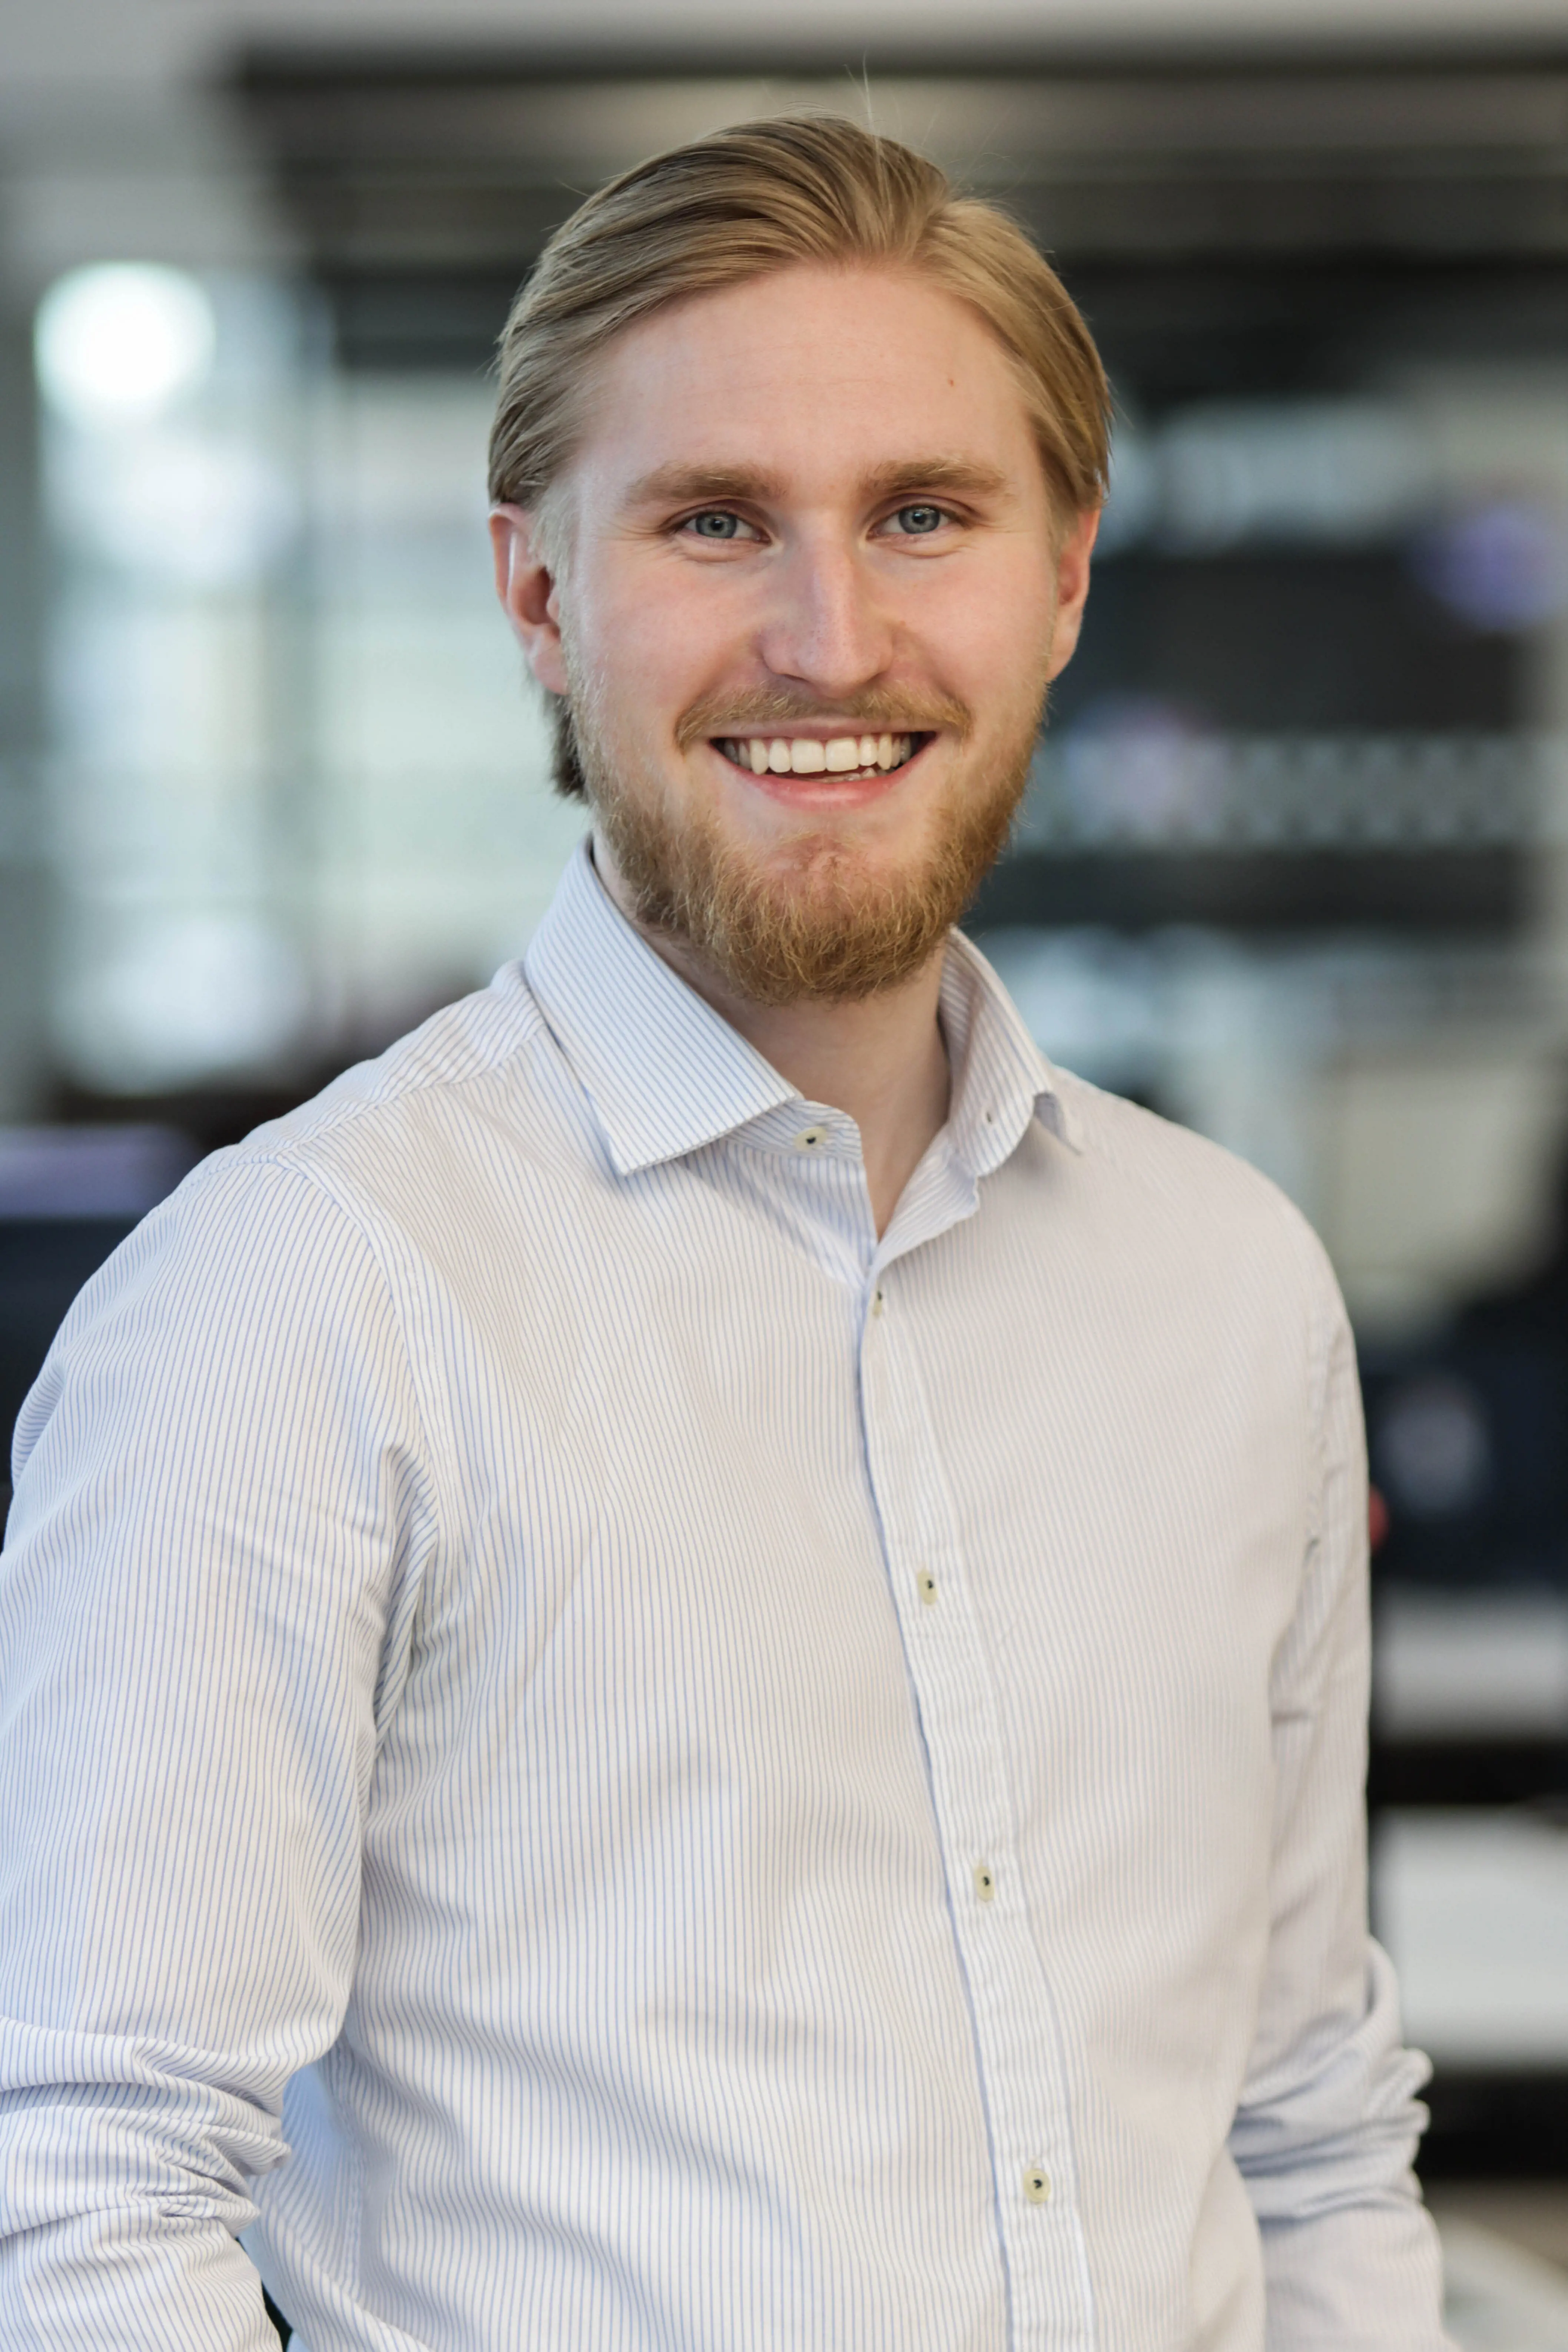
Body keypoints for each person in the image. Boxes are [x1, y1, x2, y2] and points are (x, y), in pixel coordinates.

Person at [0, 116, 1453, 2350]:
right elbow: (90, 2204)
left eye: (924, 516)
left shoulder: (1234, 1284)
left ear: (1065, 577)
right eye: (714, 521)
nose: (828, 634)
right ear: (537, 589)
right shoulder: (290, 1303)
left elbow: (1306, 2124)